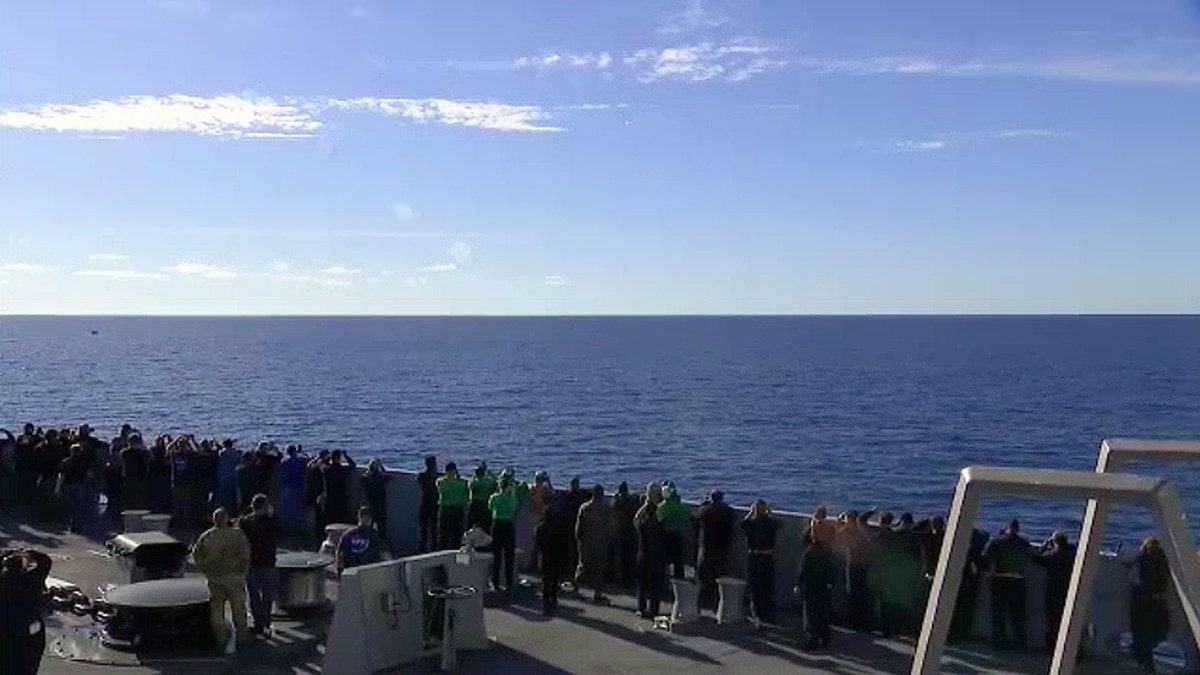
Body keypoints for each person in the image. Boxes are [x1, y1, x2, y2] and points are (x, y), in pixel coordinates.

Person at [192, 508, 252, 650]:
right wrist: (243, 572)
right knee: (238, 608)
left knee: (217, 611)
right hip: (234, 578)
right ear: (227, 518)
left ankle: (221, 638)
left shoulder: (207, 536)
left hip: (215, 579)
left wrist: (205, 569)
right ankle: (242, 636)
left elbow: (196, 555)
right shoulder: (237, 535)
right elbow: (246, 554)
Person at [0, 548, 52, 675]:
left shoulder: (6, 584)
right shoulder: (31, 583)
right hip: (28, 637)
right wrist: (27, 553)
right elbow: (45, 561)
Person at [982, 519, 1032, 648]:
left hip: (1000, 579)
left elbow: (986, 556)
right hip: (1018, 580)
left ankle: (999, 641)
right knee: (1018, 614)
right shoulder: (1024, 543)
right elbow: (1033, 556)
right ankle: (1020, 642)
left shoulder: (997, 542)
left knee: (998, 612)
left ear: (1006, 528)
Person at [1128, 537, 1171, 673]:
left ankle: (1143, 660)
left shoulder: (1141, 559)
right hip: (1155, 600)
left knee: (1140, 632)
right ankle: (1146, 660)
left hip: (1141, 600)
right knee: (1154, 631)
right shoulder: (1162, 560)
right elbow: (1164, 579)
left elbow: (1135, 578)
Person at [238, 494, 278, 637]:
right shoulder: (270, 521)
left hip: (252, 562)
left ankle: (258, 624)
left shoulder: (246, 522)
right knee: (267, 595)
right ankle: (266, 623)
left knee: (253, 595)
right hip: (267, 562)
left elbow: (239, 530)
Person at [742, 499, 782, 624]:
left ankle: (756, 614)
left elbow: (742, 524)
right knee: (767, 586)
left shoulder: (751, 523)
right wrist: (770, 512)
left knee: (755, 587)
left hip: (754, 556)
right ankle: (767, 613)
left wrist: (750, 513)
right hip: (767, 557)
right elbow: (780, 523)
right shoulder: (771, 523)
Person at [695, 490, 735, 611]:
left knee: (703, 575)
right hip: (722, 547)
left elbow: (697, 515)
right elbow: (733, 516)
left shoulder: (705, 510)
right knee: (719, 575)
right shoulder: (727, 511)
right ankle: (717, 603)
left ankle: (702, 602)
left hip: (706, 546)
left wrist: (704, 504)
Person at [575, 485, 615, 604]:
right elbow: (611, 527)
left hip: (586, 542)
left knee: (583, 565)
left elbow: (579, 527)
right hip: (601, 542)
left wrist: (578, 538)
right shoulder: (606, 508)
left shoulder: (585, 507)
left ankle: (577, 589)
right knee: (599, 568)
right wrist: (609, 539)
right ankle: (597, 594)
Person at [535, 492, 572, 616]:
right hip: (556, 556)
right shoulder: (559, 526)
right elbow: (564, 541)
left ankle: (546, 603)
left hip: (545, 556)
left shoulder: (541, 528)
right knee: (555, 579)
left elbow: (537, 542)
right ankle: (554, 599)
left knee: (545, 580)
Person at [797, 537, 836, 650]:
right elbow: (831, 569)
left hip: (810, 586)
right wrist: (830, 583)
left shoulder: (809, 553)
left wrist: (799, 584)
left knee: (810, 613)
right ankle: (825, 637)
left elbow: (803, 570)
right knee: (823, 611)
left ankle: (812, 639)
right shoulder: (827, 552)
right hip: (823, 586)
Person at [634, 489, 667, 619]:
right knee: (655, 584)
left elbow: (635, 520)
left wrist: (644, 506)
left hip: (643, 553)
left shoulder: (642, 523)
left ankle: (641, 608)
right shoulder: (660, 521)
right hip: (657, 554)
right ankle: (654, 609)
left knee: (642, 583)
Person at [487, 477, 520, 594]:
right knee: (509, 554)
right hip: (509, 525)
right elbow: (516, 508)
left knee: (496, 555)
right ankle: (509, 582)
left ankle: (495, 582)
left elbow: (490, 507)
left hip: (497, 525)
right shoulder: (512, 499)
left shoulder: (495, 497)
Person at [336, 507, 391, 575]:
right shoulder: (374, 535)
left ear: (359, 517)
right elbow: (385, 556)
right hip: (370, 573)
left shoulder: (348, 535)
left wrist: (340, 573)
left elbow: (340, 558)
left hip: (351, 573)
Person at [657, 485, 691, 580]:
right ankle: (679, 577)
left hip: (666, 535)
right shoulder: (682, 507)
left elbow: (659, 520)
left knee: (665, 559)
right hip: (679, 535)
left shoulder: (664, 506)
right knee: (678, 559)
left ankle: (665, 578)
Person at [56, 444, 91, 532]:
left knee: (69, 505)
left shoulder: (65, 462)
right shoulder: (84, 462)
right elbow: (88, 474)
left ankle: (68, 523)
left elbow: (61, 475)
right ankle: (76, 523)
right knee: (79, 505)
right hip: (79, 484)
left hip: (68, 484)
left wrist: (58, 486)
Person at [612, 482, 640, 588]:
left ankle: (621, 580)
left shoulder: (617, 502)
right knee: (630, 559)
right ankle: (630, 580)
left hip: (620, 533)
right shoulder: (631, 502)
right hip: (630, 533)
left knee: (620, 558)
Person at [436, 462, 469, 550]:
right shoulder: (462, 483)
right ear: (455, 470)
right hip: (457, 509)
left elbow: (439, 484)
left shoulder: (440, 482)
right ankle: (455, 551)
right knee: (457, 534)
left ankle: (441, 551)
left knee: (443, 534)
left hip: (445, 509)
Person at [321, 449, 356, 526]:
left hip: (329, 497)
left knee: (329, 518)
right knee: (340, 518)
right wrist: (346, 456)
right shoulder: (342, 470)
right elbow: (353, 465)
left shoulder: (327, 470)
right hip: (341, 496)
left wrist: (328, 458)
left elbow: (322, 464)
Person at [417, 456, 440, 553]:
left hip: (425, 504)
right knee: (434, 529)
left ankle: (422, 548)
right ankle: (434, 548)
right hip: (435, 505)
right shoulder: (438, 477)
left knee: (424, 529)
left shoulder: (421, 476)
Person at [362, 459, 389, 536]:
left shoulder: (365, 478)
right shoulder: (381, 478)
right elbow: (386, 476)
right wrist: (382, 467)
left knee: (370, 524)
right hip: (380, 504)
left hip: (370, 503)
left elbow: (365, 475)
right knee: (381, 524)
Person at [468, 463, 497, 532]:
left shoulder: (474, 482)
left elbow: (470, 485)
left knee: (471, 524)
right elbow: (496, 480)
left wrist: (473, 476)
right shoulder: (489, 482)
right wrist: (489, 472)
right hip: (485, 505)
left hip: (475, 505)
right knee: (485, 526)